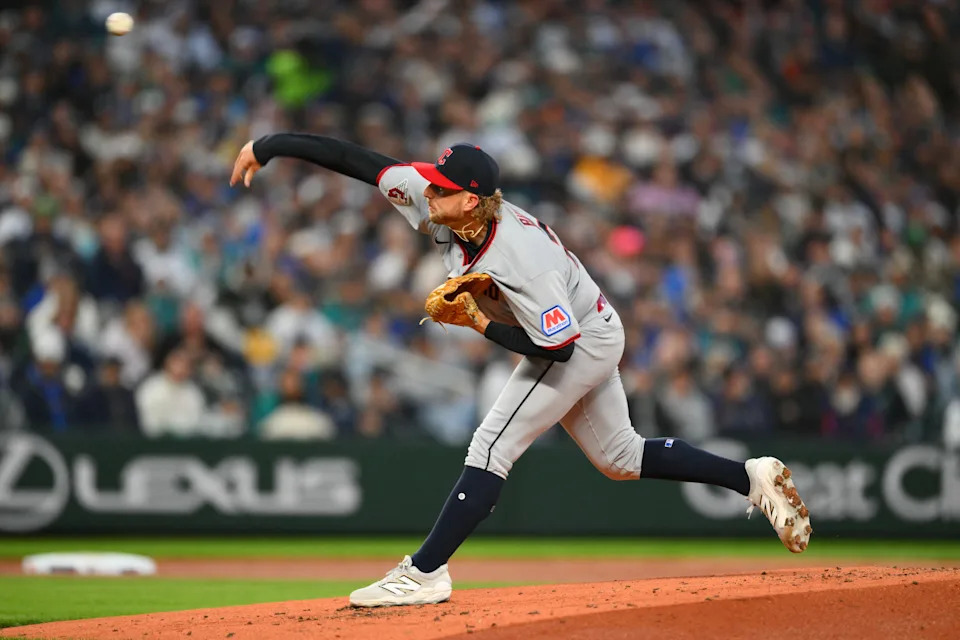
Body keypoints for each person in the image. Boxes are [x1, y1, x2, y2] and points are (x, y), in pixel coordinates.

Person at [230, 135, 813, 608]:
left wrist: (479, 326)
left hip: (578, 340)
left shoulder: (522, 258)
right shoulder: (441, 198)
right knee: (621, 459)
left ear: (473, 200)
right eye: (433, 179)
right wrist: (270, 145)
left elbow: (556, 350)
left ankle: (425, 572)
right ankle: (751, 476)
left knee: (490, 446)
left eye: (444, 187)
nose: (429, 189)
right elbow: (361, 161)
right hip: (592, 327)